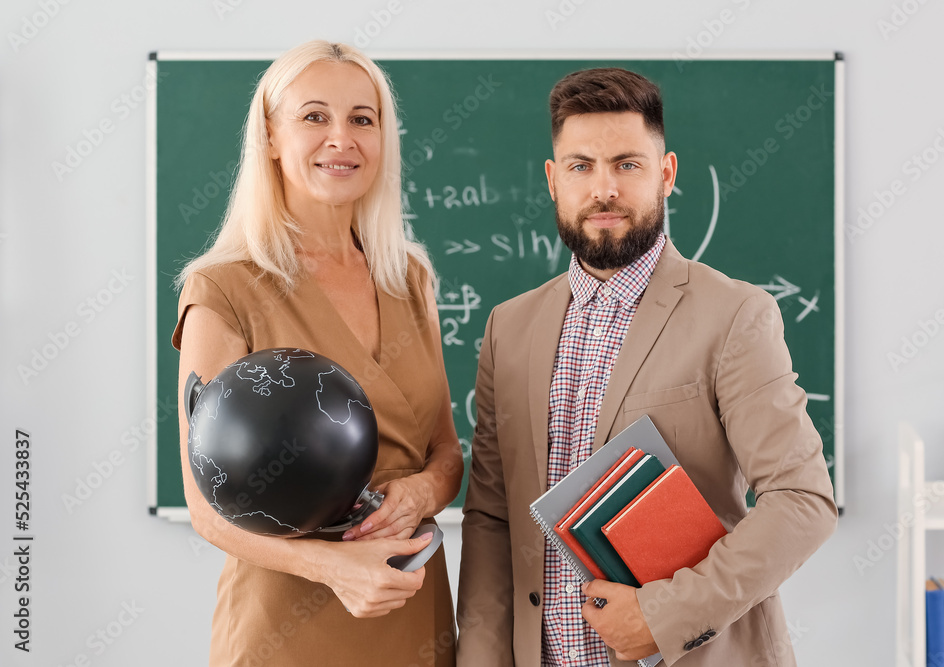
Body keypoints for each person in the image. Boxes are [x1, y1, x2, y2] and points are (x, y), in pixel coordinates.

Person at [456, 67, 838, 667]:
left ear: (666, 174)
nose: (603, 188)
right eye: (581, 166)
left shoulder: (735, 315)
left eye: (627, 164)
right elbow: (489, 517)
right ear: (554, 181)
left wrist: (663, 619)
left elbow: (803, 500)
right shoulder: (510, 327)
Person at [173, 40, 463, 667]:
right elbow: (205, 501)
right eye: (314, 117)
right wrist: (333, 568)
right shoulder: (223, 286)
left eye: (363, 118)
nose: (342, 139)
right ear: (272, 137)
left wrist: (418, 495)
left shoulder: (410, 276)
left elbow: (445, 452)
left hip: (408, 605)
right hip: (287, 620)